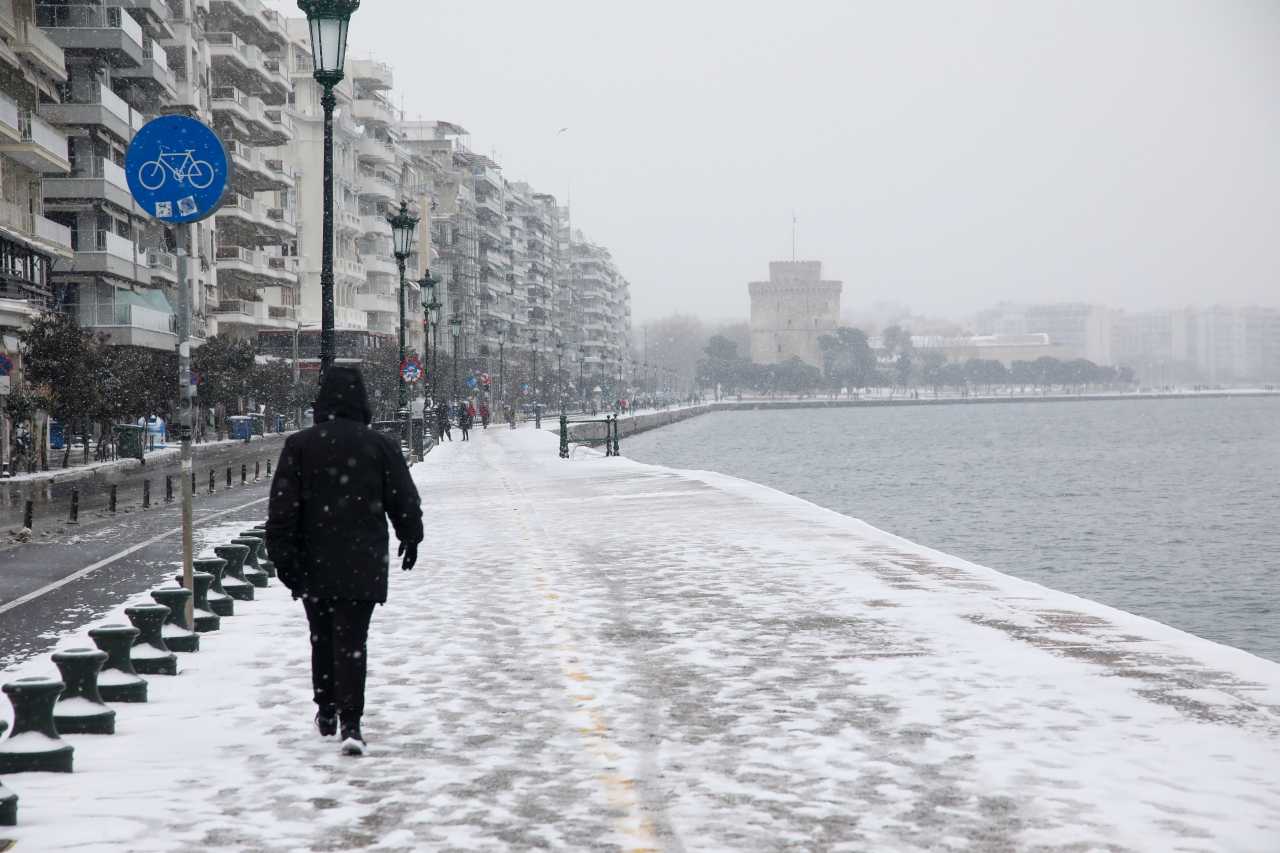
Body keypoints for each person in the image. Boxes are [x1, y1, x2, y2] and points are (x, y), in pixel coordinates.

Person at [265, 366, 423, 756]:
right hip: (362, 560)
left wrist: (283, 558)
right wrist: (410, 537)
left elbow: (281, 510)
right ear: (363, 402)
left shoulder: (300, 446)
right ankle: (351, 721)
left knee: (321, 637)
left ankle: (326, 708)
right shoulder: (380, 445)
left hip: (312, 561)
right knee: (352, 640)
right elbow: (403, 499)